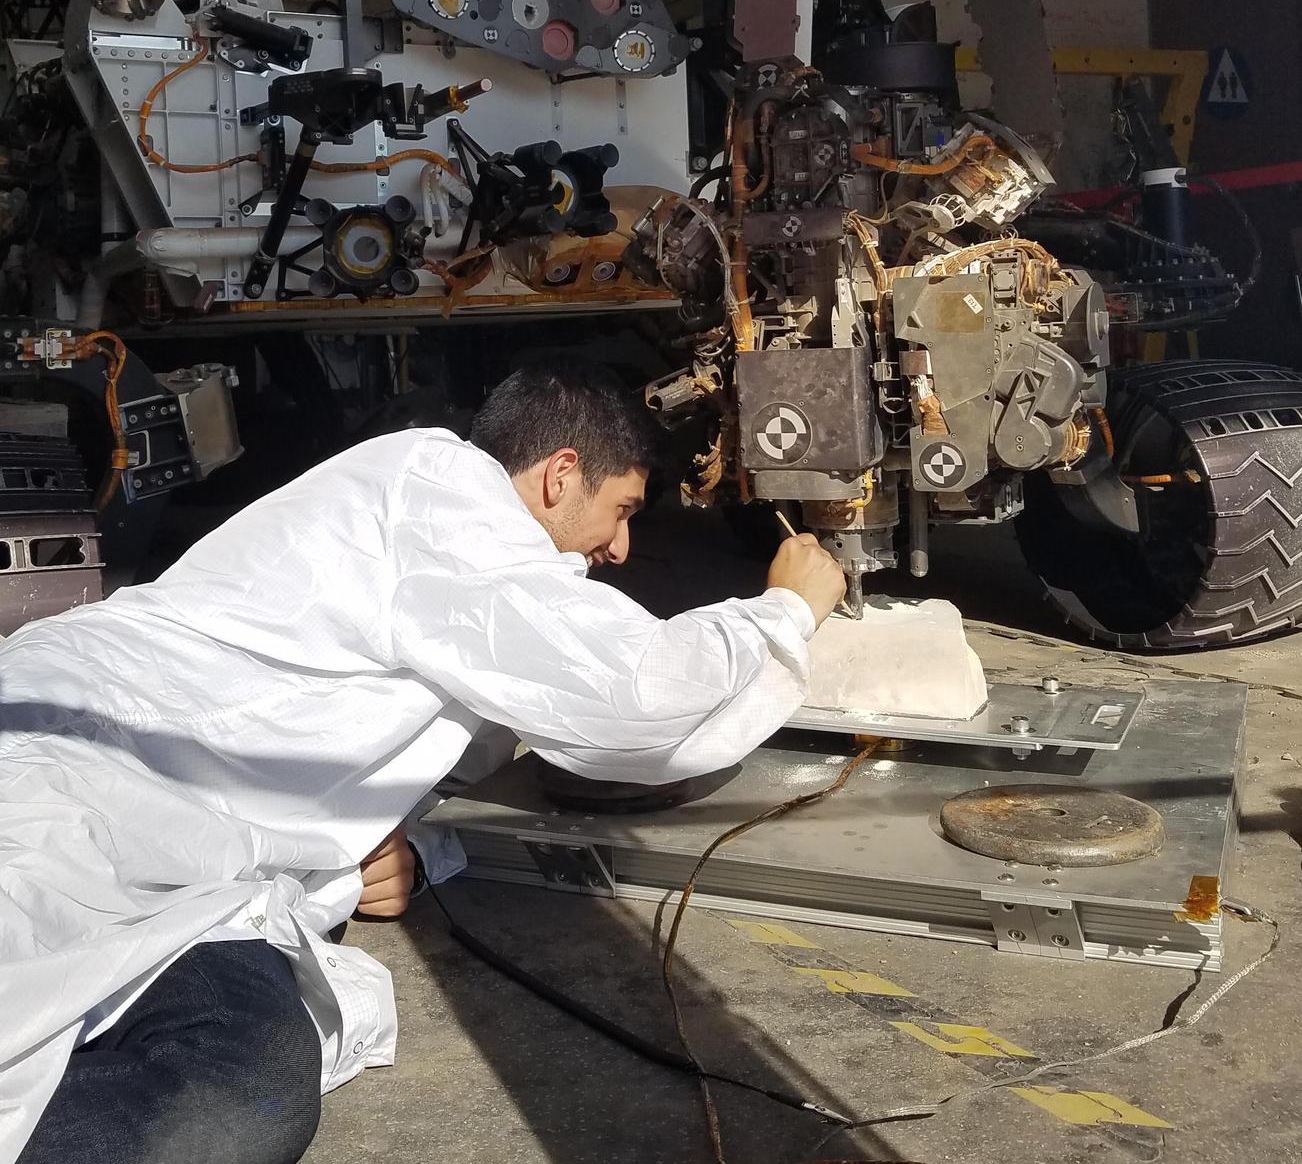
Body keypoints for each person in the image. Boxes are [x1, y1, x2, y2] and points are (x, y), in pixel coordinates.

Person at [0, 358, 845, 1164]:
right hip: (72, 776)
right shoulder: (442, 493)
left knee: (242, 1091)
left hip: (198, 864)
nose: (620, 547)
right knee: (196, 1094)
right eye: (621, 510)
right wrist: (784, 611)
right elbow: (633, 695)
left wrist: (381, 841)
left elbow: (407, 724)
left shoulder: (447, 548)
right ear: (560, 474)